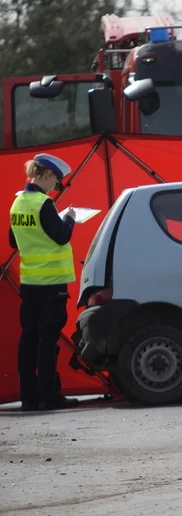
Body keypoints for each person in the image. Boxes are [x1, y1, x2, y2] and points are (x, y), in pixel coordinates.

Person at [9, 153, 80, 412]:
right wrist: (70, 218)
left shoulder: (18, 204)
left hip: (29, 283)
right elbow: (62, 237)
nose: (56, 189)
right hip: (52, 283)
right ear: (48, 176)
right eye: (57, 183)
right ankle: (49, 395)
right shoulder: (44, 204)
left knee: (28, 338)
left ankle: (29, 396)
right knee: (48, 340)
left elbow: (13, 241)